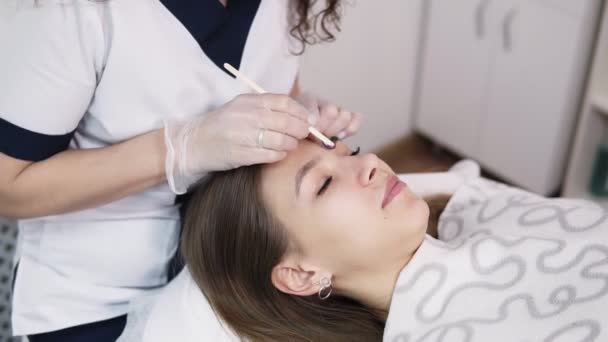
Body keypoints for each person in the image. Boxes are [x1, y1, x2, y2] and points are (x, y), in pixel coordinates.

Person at [0, 0, 359, 340]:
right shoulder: (70, 13)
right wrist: (177, 149)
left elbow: (268, 80)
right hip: (93, 300)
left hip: (227, 279)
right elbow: (7, 187)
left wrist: (295, 118)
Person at [174, 139, 608, 341]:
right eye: (324, 184)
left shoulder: (470, 206)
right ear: (302, 274)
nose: (372, 163)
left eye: (349, 152)